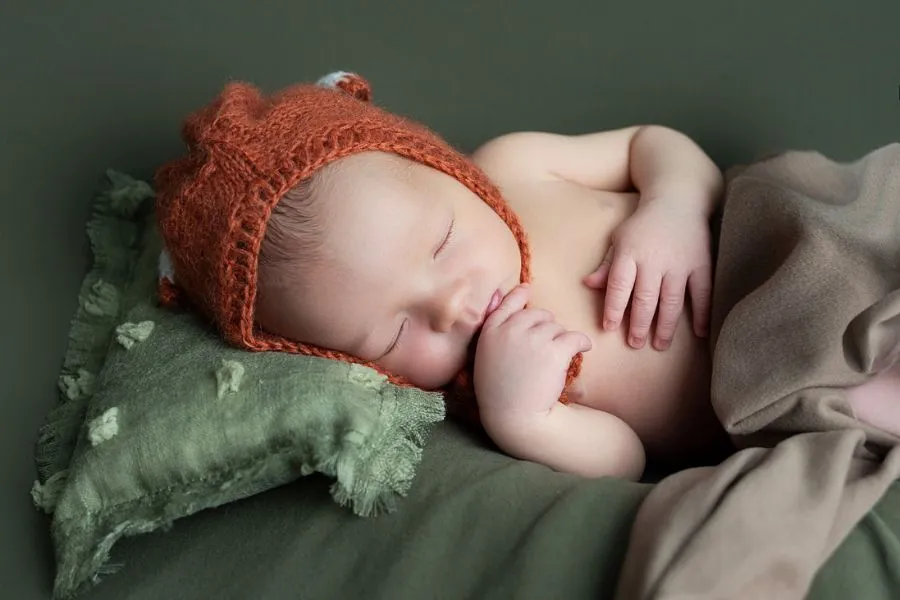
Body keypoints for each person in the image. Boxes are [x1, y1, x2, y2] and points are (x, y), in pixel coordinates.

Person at [151, 72, 735, 480]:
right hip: (772, 384)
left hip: (764, 238)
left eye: (442, 243)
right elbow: (628, 462)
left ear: (443, 165)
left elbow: (650, 143)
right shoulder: (490, 387)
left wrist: (674, 204)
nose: (451, 306)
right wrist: (528, 420)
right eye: (394, 336)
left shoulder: (516, 166)